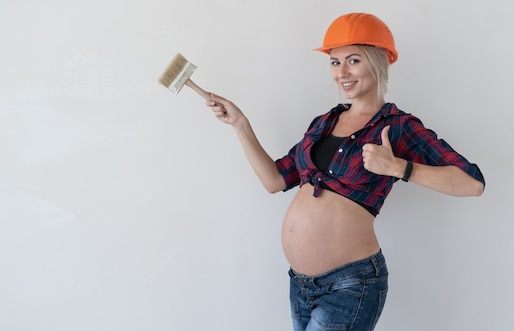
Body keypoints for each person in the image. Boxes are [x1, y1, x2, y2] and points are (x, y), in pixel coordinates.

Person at [204, 12, 485, 331]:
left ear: (379, 61)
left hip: (351, 286)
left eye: (353, 60)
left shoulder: (398, 127)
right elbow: (275, 180)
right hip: (300, 285)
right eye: (335, 62)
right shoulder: (324, 122)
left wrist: (397, 167)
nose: (342, 72)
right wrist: (240, 124)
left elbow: (472, 183)